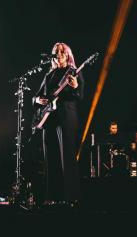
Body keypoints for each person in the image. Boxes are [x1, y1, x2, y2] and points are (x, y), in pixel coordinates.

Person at [31, 42, 84, 206]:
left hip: (66, 119)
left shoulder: (73, 72)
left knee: (66, 158)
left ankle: (70, 198)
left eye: (62, 51)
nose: (59, 54)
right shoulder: (49, 75)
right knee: (51, 159)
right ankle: (52, 197)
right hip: (49, 120)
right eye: (56, 51)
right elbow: (35, 97)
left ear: (67, 54)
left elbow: (79, 95)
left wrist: (75, 86)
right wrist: (38, 99)